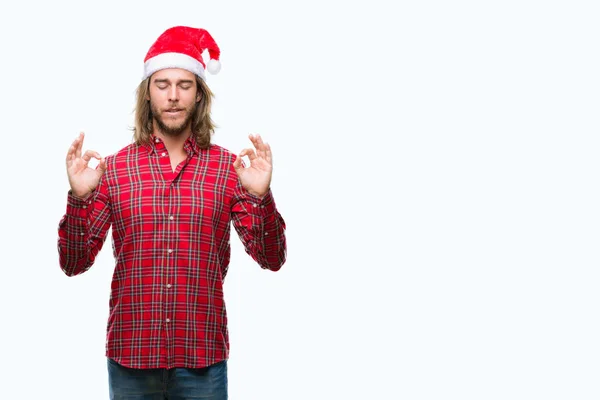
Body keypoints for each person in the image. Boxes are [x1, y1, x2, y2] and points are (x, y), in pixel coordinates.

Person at [57, 26, 287, 399]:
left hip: (203, 361)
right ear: (148, 93)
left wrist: (261, 196)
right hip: (131, 359)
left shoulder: (229, 169)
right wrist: (80, 199)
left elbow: (272, 258)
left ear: (199, 94)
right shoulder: (114, 170)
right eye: (162, 84)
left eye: (184, 85)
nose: (173, 96)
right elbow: (73, 263)